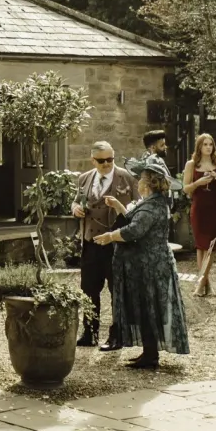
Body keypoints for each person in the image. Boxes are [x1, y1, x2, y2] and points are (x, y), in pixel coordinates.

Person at [93, 158, 190, 369]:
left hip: (150, 266)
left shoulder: (154, 205)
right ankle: (148, 352)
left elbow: (135, 230)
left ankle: (151, 356)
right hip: (146, 264)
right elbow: (134, 219)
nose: (137, 182)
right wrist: (119, 206)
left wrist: (110, 236)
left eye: (140, 180)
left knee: (149, 308)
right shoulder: (152, 202)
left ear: (147, 184)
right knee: (146, 308)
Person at [71, 141, 137, 350]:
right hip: (91, 242)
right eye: (102, 161)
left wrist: (121, 209)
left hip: (116, 244)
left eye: (110, 159)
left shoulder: (126, 177)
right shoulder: (84, 178)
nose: (107, 164)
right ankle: (90, 332)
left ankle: (117, 335)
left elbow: (138, 207)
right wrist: (75, 208)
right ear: (93, 160)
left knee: (117, 290)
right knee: (88, 289)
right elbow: (75, 201)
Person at [183, 133, 216, 297]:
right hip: (198, 208)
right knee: (200, 246)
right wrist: (198, 183)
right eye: (205, 144)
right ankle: (205, 284)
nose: (208, 147)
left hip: (214, 209)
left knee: (209, 247)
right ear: (199, 147)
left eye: (211, 144)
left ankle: (201, 284)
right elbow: (186, 189)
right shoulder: (191, 165)